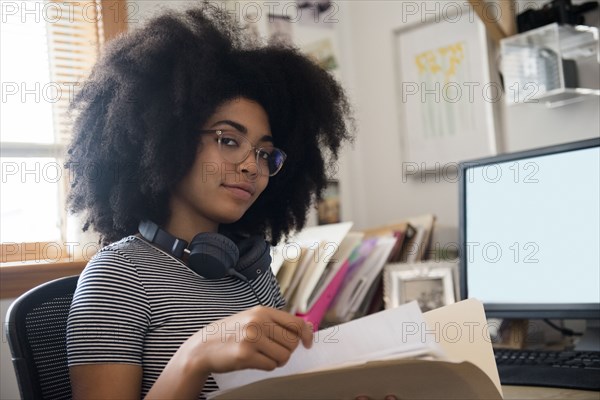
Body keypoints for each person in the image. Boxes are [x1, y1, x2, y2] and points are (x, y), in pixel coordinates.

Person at [65, 5, 353, 399]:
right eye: (229, 140)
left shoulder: (252, 275)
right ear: (167, 141)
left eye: (265, 154)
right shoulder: (117, 278)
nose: (253, 167)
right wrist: (195, 356)